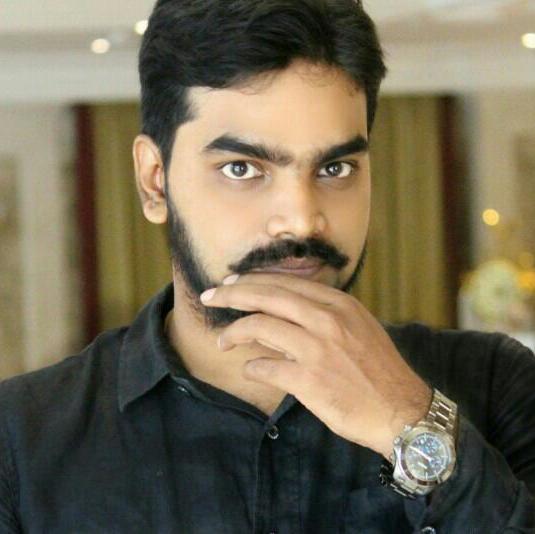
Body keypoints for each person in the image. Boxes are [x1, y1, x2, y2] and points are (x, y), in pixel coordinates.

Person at [1, 0, 534, 531]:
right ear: (154, 181)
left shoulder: (496, 385)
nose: (301, 221)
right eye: (241, 168)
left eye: (335, 167)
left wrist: (412, 425)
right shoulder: (21, 441)